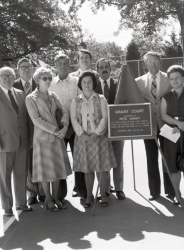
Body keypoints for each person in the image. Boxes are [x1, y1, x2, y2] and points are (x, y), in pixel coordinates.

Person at [25, 67, 72, 211]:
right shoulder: (30, 98)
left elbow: (64, 110)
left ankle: (57, 198)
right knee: (45, 172)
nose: (48, 81)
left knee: (57, 170)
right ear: (37, 80)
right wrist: (55, 130)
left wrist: (64, 127)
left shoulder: (53, 96)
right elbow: (36, 120)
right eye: (44, 78)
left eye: (49, 78)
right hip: (43, 140)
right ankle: (48, 200)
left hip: (57, 138)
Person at [70, 70, 117, 208]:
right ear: (80, 84)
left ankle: (103, 195)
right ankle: (89, 196)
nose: (87, 84)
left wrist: (96, 133)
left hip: (99, 138)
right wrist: (82, 134)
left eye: (89, 82)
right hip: (83, 139)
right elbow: (73, 119)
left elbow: (105, 117)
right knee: (87, 169)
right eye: (84, 82)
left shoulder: (101, 99)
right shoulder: (75, 100)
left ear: (94, 83)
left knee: (101, 168)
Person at [135, 51, 175, 201]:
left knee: (169, 157)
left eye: (156, 61)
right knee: (151, 159)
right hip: (149, 126)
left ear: (160, 62)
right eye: (150, 62)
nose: (153, 64)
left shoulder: (169, 78)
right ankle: (154, 191)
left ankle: (171, 191)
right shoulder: (138, 82)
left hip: (168, 125)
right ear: (145, 63)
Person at [49, 54, 85, 202]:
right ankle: (60, 195)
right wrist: (61, 127)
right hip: (58, 130)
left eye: (66, 63)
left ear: (69, 65)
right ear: (55, 65)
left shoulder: (77, 82)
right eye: (60, 63)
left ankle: (83, 191)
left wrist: (72, 126)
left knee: (80, 160)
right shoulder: (50, 84)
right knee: (60, 161)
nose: (63, 66)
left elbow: (81, 105)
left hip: (76, 128)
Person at [161, 65, 184, 205]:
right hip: (171, 133)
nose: (174, 81)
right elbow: (164, 115)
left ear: (183, 79)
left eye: (177, 78)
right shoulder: (165, 97)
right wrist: (177, 124)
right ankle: (177, 192)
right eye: (171, 79)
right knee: (172, 163)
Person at [0, 66, 32, 217]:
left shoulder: (21, 94)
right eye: (4, 76)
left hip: (22, 140)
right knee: (4, 176)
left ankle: (21, 202)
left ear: (15, 78)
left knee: (21, 173)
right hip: (4, 141)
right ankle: (7, 207)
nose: (7, 79)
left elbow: (26, 119)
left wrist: (30, 138)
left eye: (10, 76)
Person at [14, 58, 45, 205]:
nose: (26, 69)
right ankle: (31, 193)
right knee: (26, 165)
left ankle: (43, 192)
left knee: (40, 162)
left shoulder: (40, 85)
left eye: (29, 67)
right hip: (20, 134)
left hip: (39, 131)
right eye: (23, 67)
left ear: (33, 69)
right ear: (18, 69)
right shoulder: (12, 86)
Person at [95, 58, 125, 200]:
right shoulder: (93, 86)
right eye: (101, 67)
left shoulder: (118, 85)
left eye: (106, 67)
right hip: (99, 130)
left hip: (117, 128)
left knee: (118, 158)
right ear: (97, 70)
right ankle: (105, 189)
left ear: (110, 69)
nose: (104, 69)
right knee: (102, 159)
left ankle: (119, 188)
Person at [69, 49, 98, 198]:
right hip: (77, 123)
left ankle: (103, 187)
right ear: (78, 60)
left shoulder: (96, 75)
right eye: (82, 58)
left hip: (94, 125)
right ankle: (79, 188)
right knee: (79, 158)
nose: (84, 60)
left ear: (90, 60)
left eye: (87, 57)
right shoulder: (72, 77)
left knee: (96, 157)